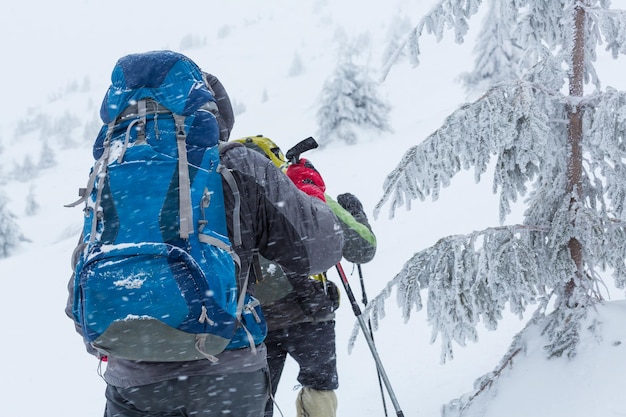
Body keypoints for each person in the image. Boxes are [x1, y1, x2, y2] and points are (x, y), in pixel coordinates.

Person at [65, 54, 344, 417]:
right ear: (212, 114)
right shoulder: (237, 165)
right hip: (227, 375)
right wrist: (310, 195)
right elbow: (320, 249)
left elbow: (80, 294)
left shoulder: (111, 172)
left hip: (132, 384)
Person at [236, 137, 377, 417]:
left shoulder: (221, 202)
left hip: (251, 321)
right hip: (310, 312)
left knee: (256, 402)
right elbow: (363, 248)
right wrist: (354, 213)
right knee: (319, 388)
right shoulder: (301, 192)